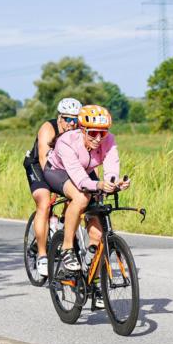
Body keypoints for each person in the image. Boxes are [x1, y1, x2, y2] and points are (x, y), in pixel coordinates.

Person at [44, 104, 130, 277]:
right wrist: (98, 185)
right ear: (82, 129)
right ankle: (67, 248)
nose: (98, 138)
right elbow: (80, 179)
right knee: (82, 197)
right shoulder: (67, 141)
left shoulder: (109, 139)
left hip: (85, 171)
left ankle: (96, 284)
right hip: (58, 171)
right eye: (92, 133)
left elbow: (111, 166)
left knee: (99, 235)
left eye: (102, 133)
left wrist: (114, 183)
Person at [23, 97, 81, 278]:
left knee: (76, 196)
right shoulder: (48, 128)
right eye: (68, 119)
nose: (72, 123)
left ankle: (64, 225)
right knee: (44, 202)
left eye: (75, 120)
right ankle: (41, 255)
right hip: (39, 166)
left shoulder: (79, 131)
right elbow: (44, 161)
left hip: (64, 167)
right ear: (59, 118)